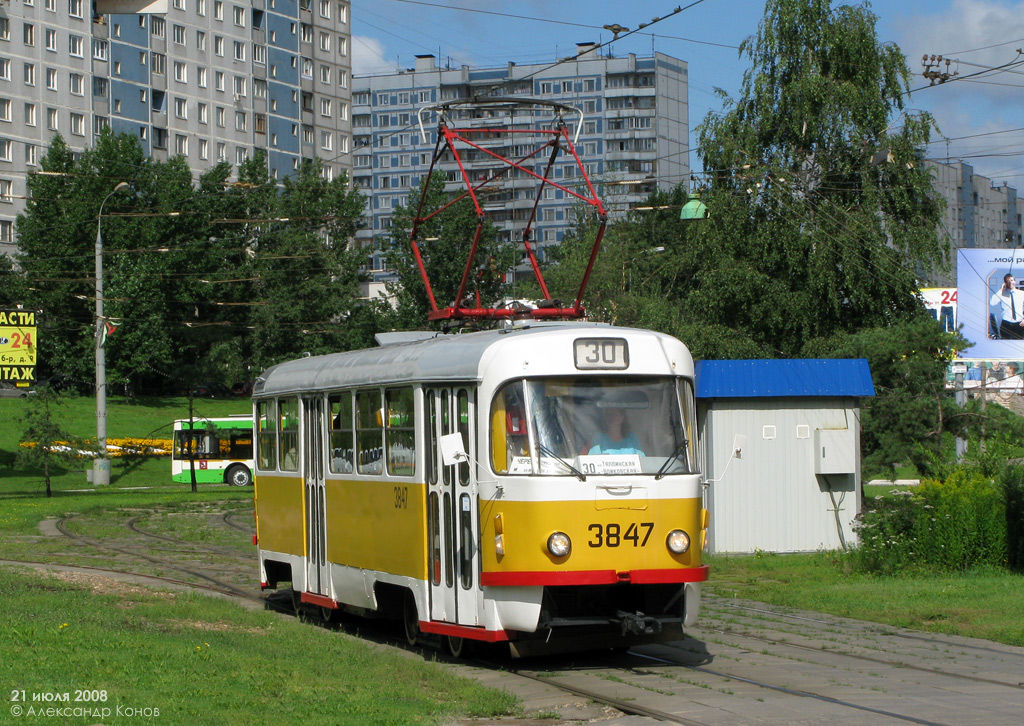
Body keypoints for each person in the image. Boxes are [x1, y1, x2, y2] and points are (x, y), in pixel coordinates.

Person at [990, 274, 1024, 340]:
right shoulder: (1002, 294)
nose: (1010, 282)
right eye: (1007, 281)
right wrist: (1001, 290)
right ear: (1005, 283)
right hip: (1006, 324)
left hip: (1019, 324)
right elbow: (992, 303)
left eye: (1011, 280)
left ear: (1014, 281)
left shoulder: (1022, 293)